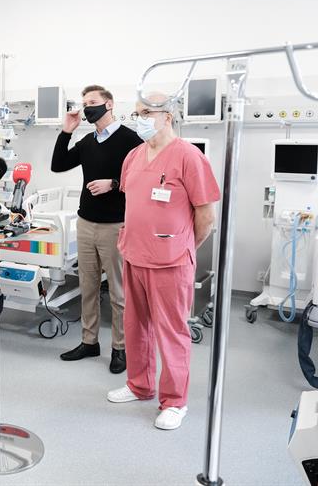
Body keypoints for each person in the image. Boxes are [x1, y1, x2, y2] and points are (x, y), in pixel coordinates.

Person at [107, 93, 219, 430]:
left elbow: (206, 217)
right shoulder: (133, 156)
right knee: (135, 326)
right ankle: (139, 385)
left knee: (171, 332)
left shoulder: (189, 156)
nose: (138, 118)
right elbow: (136, 201)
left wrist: (182, 247)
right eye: (136, 113)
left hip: (171, 260)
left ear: (167, 116)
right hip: (134, 254)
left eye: (146, 112)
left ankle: (175, 402)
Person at [51, 85, 142, 373]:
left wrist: (113, 184)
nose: (87, 107)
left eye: (92, 102)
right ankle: (89, 342)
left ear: (109, 104)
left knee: (118, 292)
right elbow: (57, 165)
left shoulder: (131, 140)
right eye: (84, 103)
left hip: (115, 224)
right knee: (88, 287)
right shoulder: (88, 141)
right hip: (86, 222)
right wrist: (66, 132)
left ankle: (120, 348)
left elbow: (143, 179)